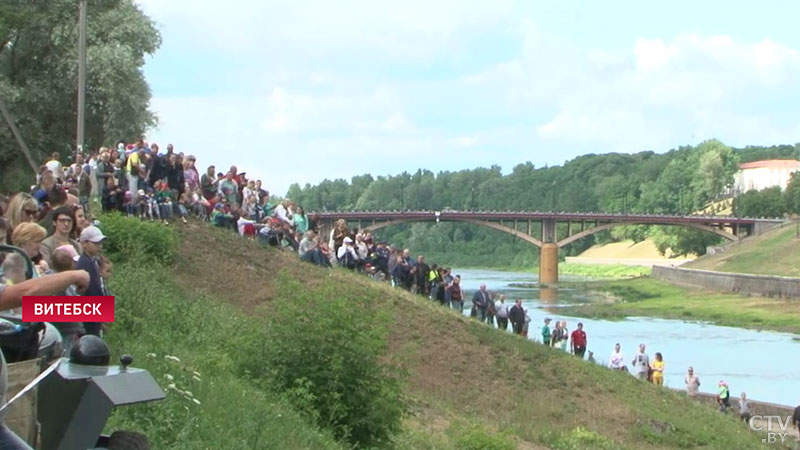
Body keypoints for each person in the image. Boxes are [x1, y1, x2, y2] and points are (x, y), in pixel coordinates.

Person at [75, 225, 106, 337]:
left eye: (100, 243)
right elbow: (92, 290)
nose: (99, 246)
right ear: (84, 243)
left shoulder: (93, 261)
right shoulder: (84, 263)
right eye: (95, 243)